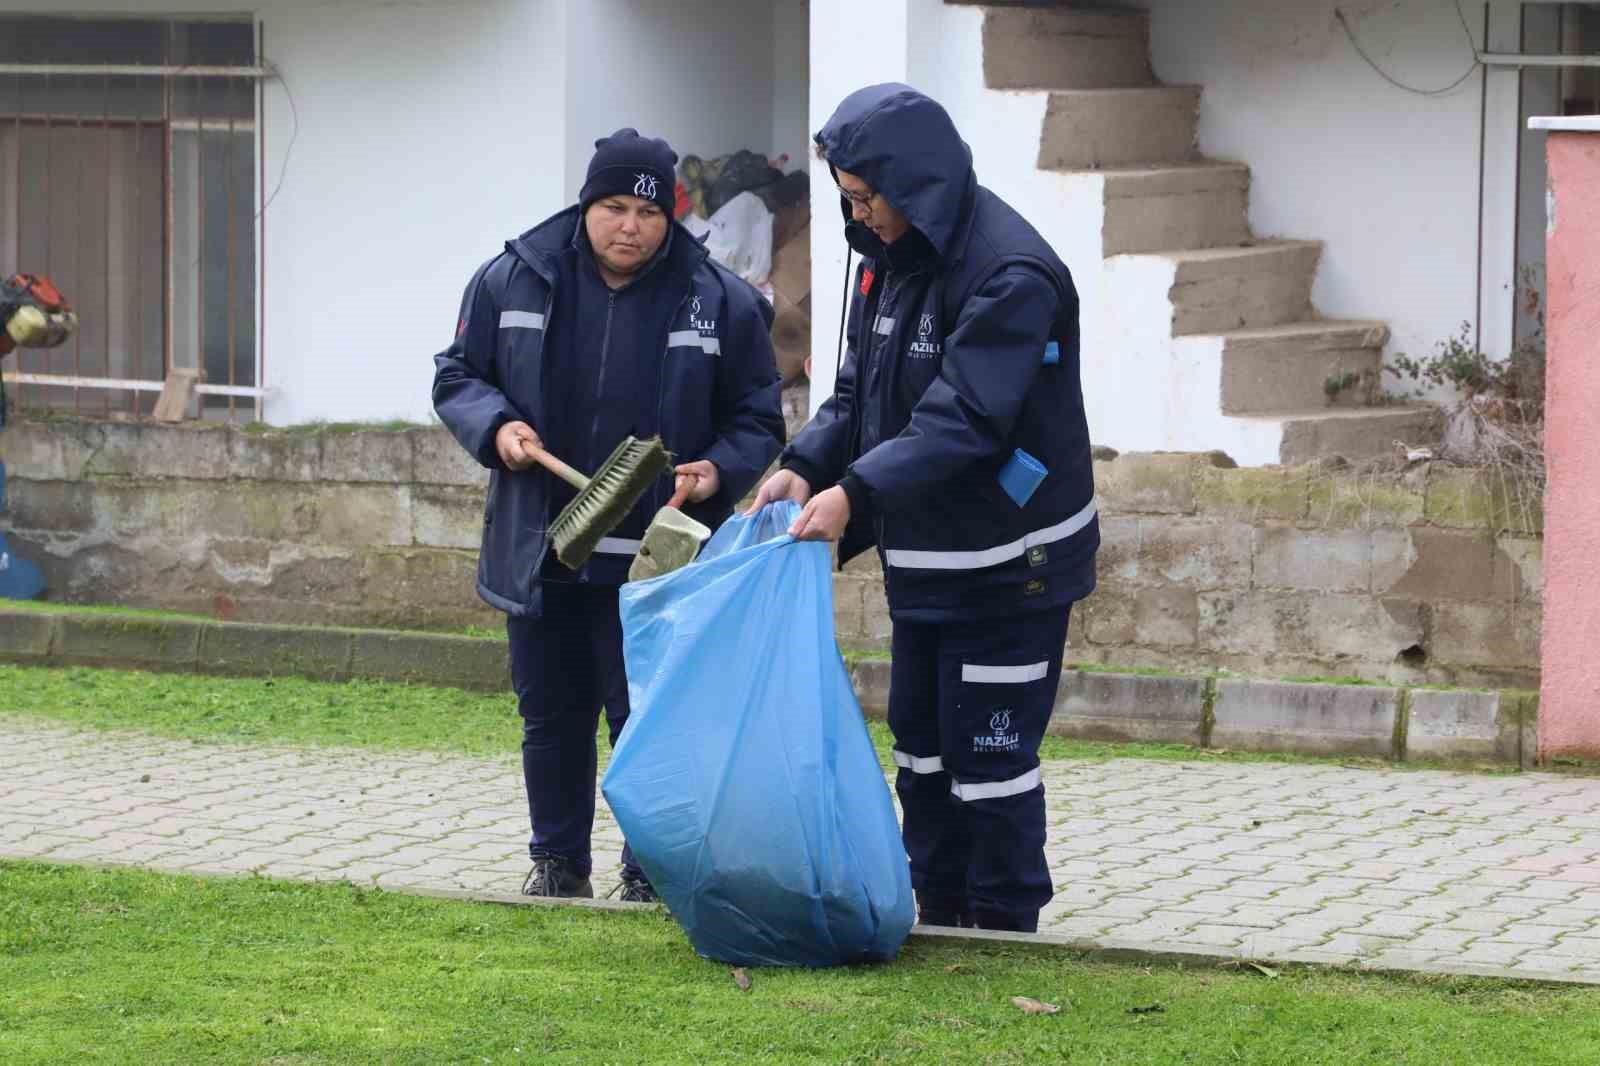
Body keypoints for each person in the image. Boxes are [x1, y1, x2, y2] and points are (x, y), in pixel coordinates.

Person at [749, 84, 1100, 933]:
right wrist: (803, 466)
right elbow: (855, 395)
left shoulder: (1011, 274)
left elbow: (968, 418)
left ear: (917, 185)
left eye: (867, 198)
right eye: (849, 199)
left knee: (989, 759)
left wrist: (854, 494)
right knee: (921, 749)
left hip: (1012, 564)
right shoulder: (884, 262)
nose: (858, 215)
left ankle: (1008, 926)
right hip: (928, 562)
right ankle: (939, 917)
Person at [433, 128, 785, 903]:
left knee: (647, 722)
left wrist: (716, 469)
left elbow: (760, 420)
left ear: (672, 218)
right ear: (588, 204)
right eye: (615, 207)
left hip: (655, 562)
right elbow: (457, 375)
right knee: (552, 717)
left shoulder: (720, 299)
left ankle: (647, 868)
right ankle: (557, 864)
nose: (631, 226)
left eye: (649, 213)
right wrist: (496, 426)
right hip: (543, 547)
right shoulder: (512, 280)